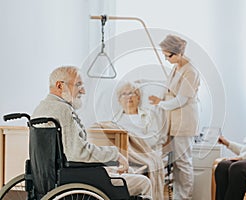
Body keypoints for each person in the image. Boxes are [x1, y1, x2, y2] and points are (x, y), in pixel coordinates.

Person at [31, 66, 152, 199]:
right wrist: (115, 154)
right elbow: (78, 152)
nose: (83, 91)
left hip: (53, 176)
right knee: (144, 182)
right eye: (78, 85)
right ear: (60, 86)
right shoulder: (63, 110)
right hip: (77, 178)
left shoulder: (40, 109)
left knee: (121, 171)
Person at [149, 34, 200, 200]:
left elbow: (181, 99)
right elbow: (169, 92)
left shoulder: (190, 71)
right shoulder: (176, 67)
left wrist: (160, 103)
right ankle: (178, 196)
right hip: (174, 120)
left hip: (184, 121)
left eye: (168, 56)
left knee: (183, 162)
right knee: (177, 162)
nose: (166, 59)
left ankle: (184, 197)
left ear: (179, 53)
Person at [108, 81, 167, 200]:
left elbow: (154, 138)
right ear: (119, 100)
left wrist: (133, 139)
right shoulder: (114, 120)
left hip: (142, 153)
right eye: (124, 94)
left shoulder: (149, 116)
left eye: (132, 93)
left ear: (139, 98)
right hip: (121, 155)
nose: (129, 97)